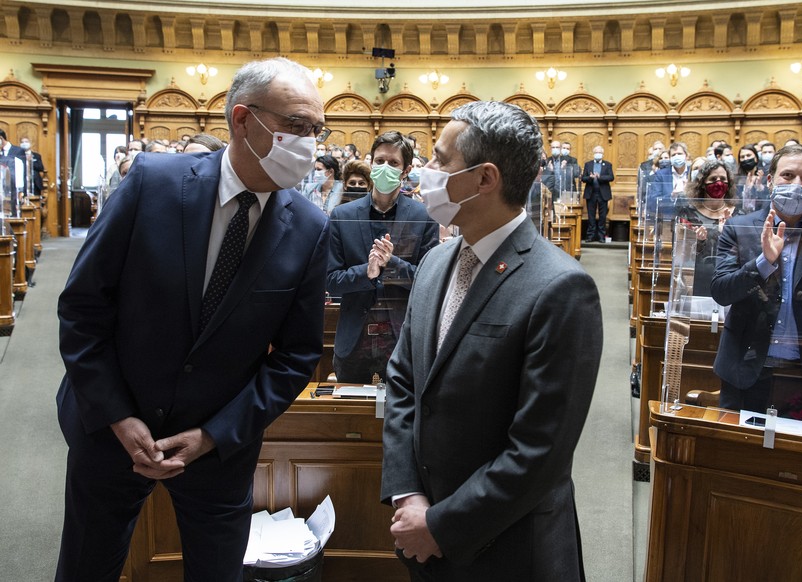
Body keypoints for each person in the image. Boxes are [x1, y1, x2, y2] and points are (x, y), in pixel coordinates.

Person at [54, 57, 331, 582]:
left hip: (217, 446)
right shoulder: (152, 184)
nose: (310, 143)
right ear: (242, 120)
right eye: (296, 126)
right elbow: (83, 307)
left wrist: (212, 434)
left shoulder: (311, 226)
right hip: (110, 427)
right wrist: (117, 414)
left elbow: (297, 357)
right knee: (86, 567)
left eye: (317, 129)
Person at [381, 101, 603, 581]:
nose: (427, 170)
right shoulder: (437, 262)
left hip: (509, 549)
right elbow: (402, 381)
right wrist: (408, 494)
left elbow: (539, 451)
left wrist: (441, 523)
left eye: (441, 160)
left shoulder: (561, 287)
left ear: (485, 179)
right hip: (424, 533)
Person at [711, 143, 802, 421]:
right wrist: (763, 263)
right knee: (735, 458)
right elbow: (722, 291)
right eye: (788, 175)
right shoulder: (739, 227)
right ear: (770, 181)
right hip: (746, 368)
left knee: (793, 463)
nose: (797, 184)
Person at [326, 131, 438, 383]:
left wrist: (393, 264)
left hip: (401, 339)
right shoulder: (342, 215)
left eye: (393, 163)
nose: (384, 167)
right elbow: (331, 282)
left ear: (406, 170)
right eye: (379, 161)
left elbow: (429, 281)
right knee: (350, 418)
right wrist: (367, 271)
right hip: (354, 340)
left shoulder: (423, 216)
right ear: (371, 163)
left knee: (403, 416)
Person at [675, 159, 740, 297]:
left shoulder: (739, 213)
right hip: (696, 279)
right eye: (713, 178)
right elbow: (680, 254)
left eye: (723, 178)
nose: (719, 182)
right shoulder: (688, 212)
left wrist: (728, 233)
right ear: (703, 183)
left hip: (728, 278)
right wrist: (697, 241)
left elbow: (745, 252)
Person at [581, 144, 614, 242]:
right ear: (593, 153)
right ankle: (590, 236)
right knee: (591, 216)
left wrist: (599, 177)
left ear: (603, 154)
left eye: (600, 152)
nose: (598, 154)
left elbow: (611, 177)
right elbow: (583, 178)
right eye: (596, 152)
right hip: (591, 193)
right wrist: (590, 178)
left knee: (602, 216)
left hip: (603, 194)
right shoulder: (588, 164)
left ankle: (601, 236)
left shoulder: (608, 164)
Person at [736, 144, 768, 212]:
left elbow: (767, 199)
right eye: (742, 157)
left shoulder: (765, 176)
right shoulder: (736, 179)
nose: (746, 159)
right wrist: (746, 190)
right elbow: (736, 201)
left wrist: (759, 187)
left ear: (756, 158)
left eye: (748, 155)